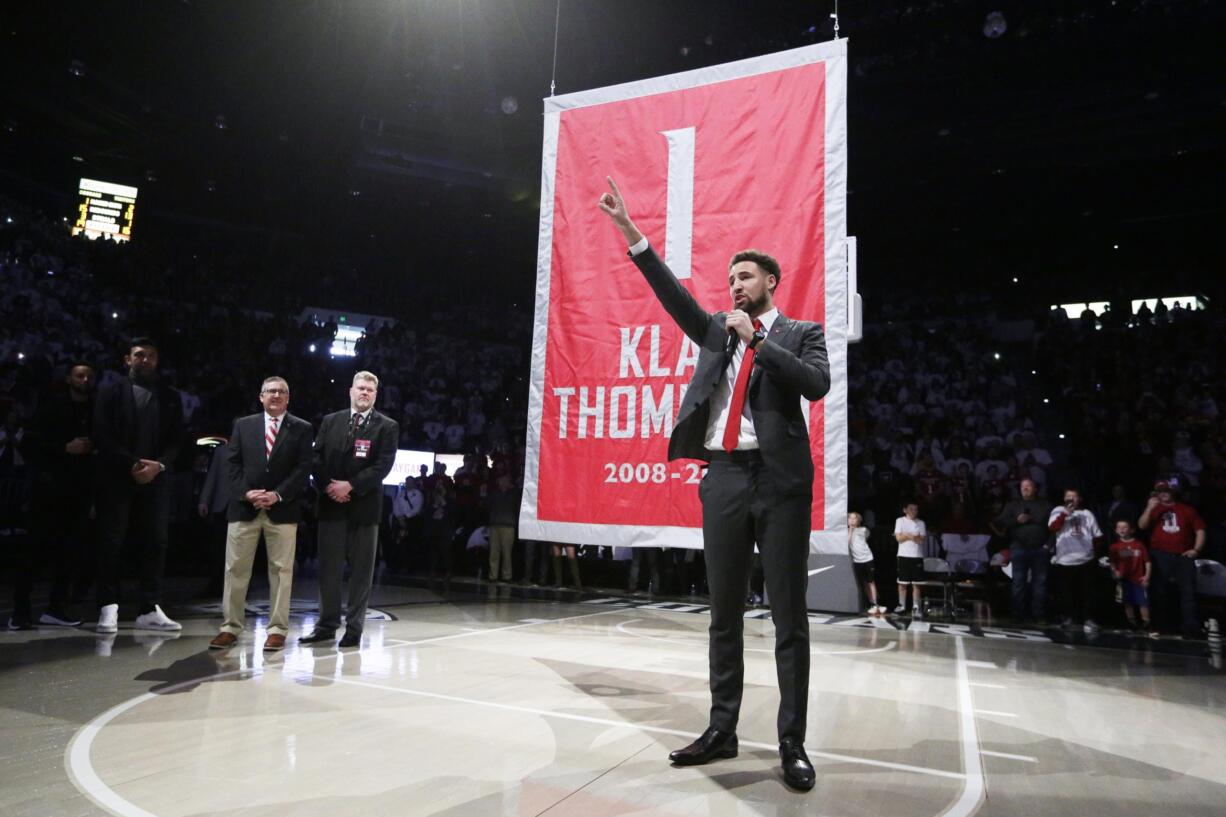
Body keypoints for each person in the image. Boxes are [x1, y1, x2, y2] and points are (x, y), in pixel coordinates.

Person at [599, 176, 830, 791]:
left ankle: (791, 743)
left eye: (746, 278)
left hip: (780, 483)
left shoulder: (800, 332)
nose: (735, 287)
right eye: (730, 280)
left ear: (770, 283)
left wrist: (762, 342)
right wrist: (630, 232)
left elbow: (816, 384)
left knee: (789, 618)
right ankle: (722, 729)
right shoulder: (714, 334)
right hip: (724, 478)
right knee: (722, 612)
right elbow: (670, 294)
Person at [208, 377, 313, 652]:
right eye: (271, 391)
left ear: (288, 398)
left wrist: (277, 494)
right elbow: (232, 464)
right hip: (245, 508)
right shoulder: (244, 425)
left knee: (281, 571)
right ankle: (230, 627)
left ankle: (277, 630)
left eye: (281, 392)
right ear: (261, 396)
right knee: (235, 569)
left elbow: (303, 469)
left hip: (283, 509)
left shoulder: (302, 428)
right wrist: (248, 493)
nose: (276, 395)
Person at [300, 372, 398, 649]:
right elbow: (315, 458)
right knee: (328, 571)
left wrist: (351, 486)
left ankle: (354, 628)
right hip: (331, 506)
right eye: (360, 388)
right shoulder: (331, 421)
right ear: (351, 391)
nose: (364, 393)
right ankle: (326, 626)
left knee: (361, 573)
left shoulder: (387, 426)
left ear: (375, 395)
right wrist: (330, 488)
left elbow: (383, 466)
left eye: (370, 389)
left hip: (364, 510)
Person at [92, 338, 185, 634]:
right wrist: (132, 463)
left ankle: (149, 607)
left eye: (151, 355)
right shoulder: (110, 392)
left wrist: (158, 465)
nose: (145, 360)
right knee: (112, 541)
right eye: (139, 355)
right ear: (127, 359)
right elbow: (101, 434)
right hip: (119, 476)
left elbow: (177, 439)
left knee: (157, 541)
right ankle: (108, 606)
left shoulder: (170, 396)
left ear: (157, 361)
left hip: (156, 477)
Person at [10, 362, 95, 629]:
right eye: (80, 375)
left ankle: (56, 608)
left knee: (69, 553)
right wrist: (64, 448)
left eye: (89, 376)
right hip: (48, 490)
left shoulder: (95, 412)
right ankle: (20, 612)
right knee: (34, 551)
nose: (85, 380)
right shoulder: (51, 407)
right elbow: (30, 443)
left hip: (78, 491)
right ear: (69, 379)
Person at [1138, 480, 1206, 638]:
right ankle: (1158, 626)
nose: (1164, 493)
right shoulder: (1155, 510)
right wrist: (1149, 507)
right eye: (1161, 491)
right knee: (1158, 591)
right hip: (1160, 554)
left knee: (1187, 592)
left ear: (1174, 492)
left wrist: (1196, 550)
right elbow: (1141, 525)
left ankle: (1190, 628)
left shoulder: (1187, 509)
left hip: (1183, 555)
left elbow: (1200, 530)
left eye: (1167, 491)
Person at [993, 479, 1053, 624]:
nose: (1025, 489)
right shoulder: (1013, 504)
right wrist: (1016, 520)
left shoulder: (1045, 505)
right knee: (1018, 582)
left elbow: (1054, 527)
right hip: (1019, 547)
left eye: (1028, 486)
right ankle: (1018, 615)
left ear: (1035, 489)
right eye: (1022, 487)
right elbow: (999, 521)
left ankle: (1038, 615)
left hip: (1040, 548)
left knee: (1040, 583)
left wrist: (1049, 545)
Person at [1048, 488, 1103, 633]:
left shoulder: (1087, 513)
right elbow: (1053, 527)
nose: (1071, 499)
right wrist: (1065, 514)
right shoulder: (1057, 510)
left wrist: (1094, 555)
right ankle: (1068, 618)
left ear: (1080, 499)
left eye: (1074, 496)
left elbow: (1097, 535)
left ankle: (1088, 620)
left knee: (1087, 592)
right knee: (1066, 592)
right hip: (1065, 559)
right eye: (1068, 496)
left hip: (1085, 558)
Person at [1108, 519, 1157, 638]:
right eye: (1119, 527)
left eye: (1124, 527)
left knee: (1143, 602)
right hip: (1124, 580)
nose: (1121, 530)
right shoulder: (1115, 547)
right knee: (1127, 602)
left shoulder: (1139, 545)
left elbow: (1147, 562)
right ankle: (1132, 624)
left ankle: (1146, 624)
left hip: (1138, 579)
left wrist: (1147, 576)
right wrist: (1115, 572)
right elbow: (1112, 563)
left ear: (1132, 529)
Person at [485, 472, 519, 583]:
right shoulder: (494, 494)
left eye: (506, 480)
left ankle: (507, 576)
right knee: (493, 552)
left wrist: (512, 489)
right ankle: (493, 576)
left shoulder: (514, 494)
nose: (504, 482)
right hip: (494, 525)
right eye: (501, 480)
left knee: (507, 553)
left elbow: (517, 506)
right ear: (498, 482)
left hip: (508, 526)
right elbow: (487, 506)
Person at [894, 501, 926, 617]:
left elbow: (921, 540)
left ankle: (916, 607)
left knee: (916, 584)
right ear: (905, 510)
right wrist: (912, 536)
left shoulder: (921, 523)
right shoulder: (900, 521)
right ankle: (901, 605)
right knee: (902, 583)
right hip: (903, 555)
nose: (914, 511)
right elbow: (898, 538)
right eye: (911, 509)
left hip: (917, 556)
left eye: (916, 509)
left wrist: (908, 535)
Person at [848, 512, 883, 615]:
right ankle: (868, 602)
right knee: (863, 582)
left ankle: (875, 603)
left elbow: (865, 536)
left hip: (867, 559)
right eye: (850, 518)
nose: (852, 520)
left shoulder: (863, 530)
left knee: (870, 581)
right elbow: (847, 542)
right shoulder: (847, 532)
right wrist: (850, 529)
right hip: (856, 561)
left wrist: (854, 529)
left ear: (858, 520)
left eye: (855, 518)